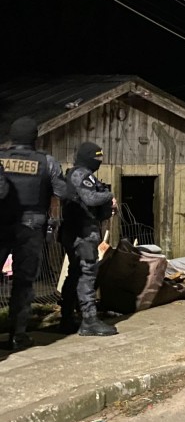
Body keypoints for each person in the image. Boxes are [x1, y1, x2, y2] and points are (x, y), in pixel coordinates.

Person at [0, 117, 67, 349]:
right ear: (34, 137)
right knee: (24, 282)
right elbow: (61, 191)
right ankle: (17, 335)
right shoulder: (46, 162)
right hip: (30, 227)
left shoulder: (0, 158)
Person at [60, 142, 118, 336]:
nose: (99, 162)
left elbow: (93, 208)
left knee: (76, 273)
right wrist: (109, 194)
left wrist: (108, 208)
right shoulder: (80, 174)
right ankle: (89, 321)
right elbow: (91, 199)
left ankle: (67, 318)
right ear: (87, 157)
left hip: (79, 231)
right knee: (87, 274)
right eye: (97, 158)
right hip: (82, 234)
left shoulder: (79, 175)